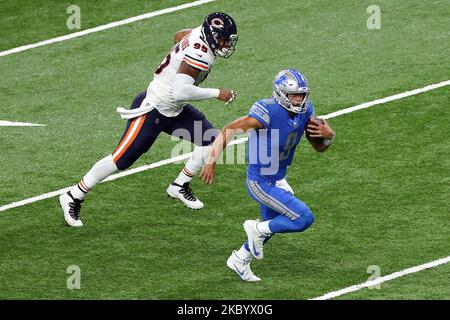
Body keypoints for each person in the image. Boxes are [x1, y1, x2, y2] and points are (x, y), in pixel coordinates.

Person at [60, 12, 239, 227]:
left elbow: (177, 35)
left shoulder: (197, 34)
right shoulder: (200, 54)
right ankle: (73, 195)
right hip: (152, 108)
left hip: (174, 110)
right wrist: (217, 93)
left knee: (212, 139)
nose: (226, 44)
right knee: (121, 160)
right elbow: (180, 92)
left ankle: (179, 185)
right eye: (223, 39)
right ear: (210, 36)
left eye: (228, 40)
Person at [200, 69, 335, 281]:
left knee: (271, 226)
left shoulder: (306, 111)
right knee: (303, 218)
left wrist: (329, 136)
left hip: (278, 177)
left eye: (301, 94)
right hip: (261, 181)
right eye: (294, 95)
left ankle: (239, 259)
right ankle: (254, 228)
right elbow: (229, 129)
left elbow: (319, 148)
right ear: (281, 93)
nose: (299, 99)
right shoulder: (267, 111)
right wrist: (211, 160)